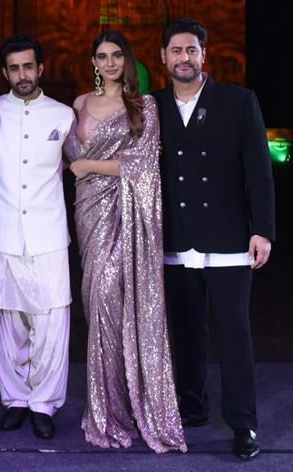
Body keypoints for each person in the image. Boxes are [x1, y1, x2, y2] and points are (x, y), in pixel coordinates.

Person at [154, 18, 275, 460]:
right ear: (163, 57)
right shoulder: (152, 106)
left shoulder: (238, 101)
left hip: (229, 239)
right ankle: (192, 408)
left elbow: (258, 171)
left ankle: (244, 424)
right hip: (176, 238)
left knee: (234, 335)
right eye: (176, 50)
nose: (184, 58)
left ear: (204, 55)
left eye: (192, 50)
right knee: (186, 331)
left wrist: (263, 230)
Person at [67, 30, 186, 453]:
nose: (110, 62)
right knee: (96, 303)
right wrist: (77, 166)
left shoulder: (144, 105)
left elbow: (142, 164)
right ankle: (107, 404)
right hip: (88, 212)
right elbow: (65, 155)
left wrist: (87, 164)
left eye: (117, 55)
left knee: (110, 300)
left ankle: (120, 407)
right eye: (102, 56)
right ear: (94, 63)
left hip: (126, 213)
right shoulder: (79, 104)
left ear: (127, 59)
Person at [0, 34, 73, 441]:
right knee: (6, 321)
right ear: (4, 72)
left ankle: (44, 403)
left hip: (49, 234)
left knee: (51, 322)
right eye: (14, 68)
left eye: (28, 66)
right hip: (0, 231)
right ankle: (16, 399)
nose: (22, 75)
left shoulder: (64, 116)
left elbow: (79, 162)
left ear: (41, 68)